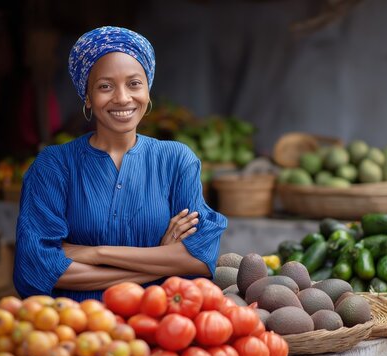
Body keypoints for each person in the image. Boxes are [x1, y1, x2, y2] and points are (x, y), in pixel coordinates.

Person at [13, 26, 228, 301]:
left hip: (156, 326)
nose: (123, 98)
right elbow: (36, 270)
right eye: (105, 86)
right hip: (77, 330)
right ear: (87, 97)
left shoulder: (176, 161)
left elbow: (200, 258)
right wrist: (159, 263)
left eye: (134, 83)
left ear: (148, 90)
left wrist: (94, 252)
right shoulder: (54, 166)